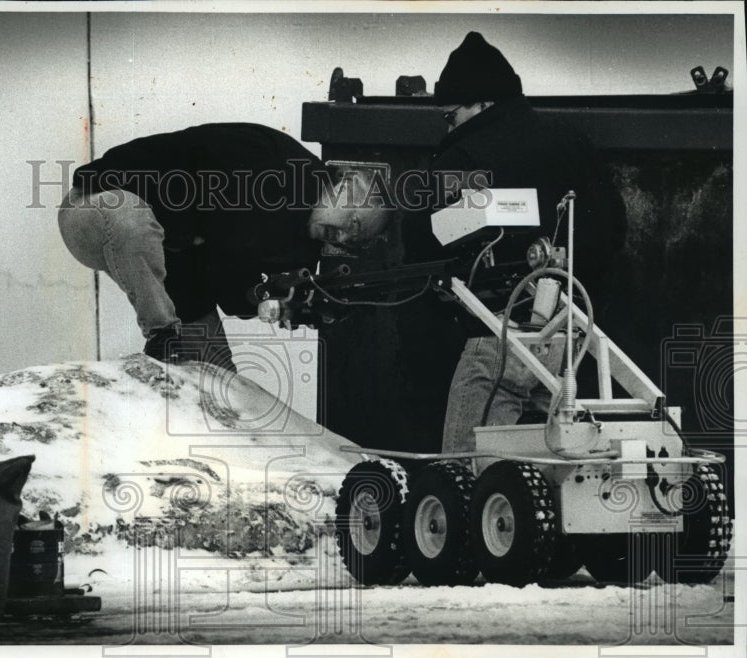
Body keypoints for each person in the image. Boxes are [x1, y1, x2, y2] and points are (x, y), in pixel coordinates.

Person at [404, 32, 627, 453]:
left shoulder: (467, 155)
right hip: (571, 340)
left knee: (467, 471)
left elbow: (423, 237)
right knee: (558, 471)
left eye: (450, 115)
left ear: (482, 104)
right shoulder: (570, 138)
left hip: (499, 338)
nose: (447, 127)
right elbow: (615, 226)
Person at [58, 122, 393, 370]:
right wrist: (205, 245)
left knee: (221, 381)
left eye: (355, 238)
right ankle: (161, 334)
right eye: (353, 222)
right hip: (94, 207)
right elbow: (221, 239)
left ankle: (173, 349)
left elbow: (232, 294)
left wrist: (265, 296)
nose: (346, 236)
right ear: (345, 184)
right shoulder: (277, 164)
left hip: (175, 267)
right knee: (130, 217)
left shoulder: (302, 247)